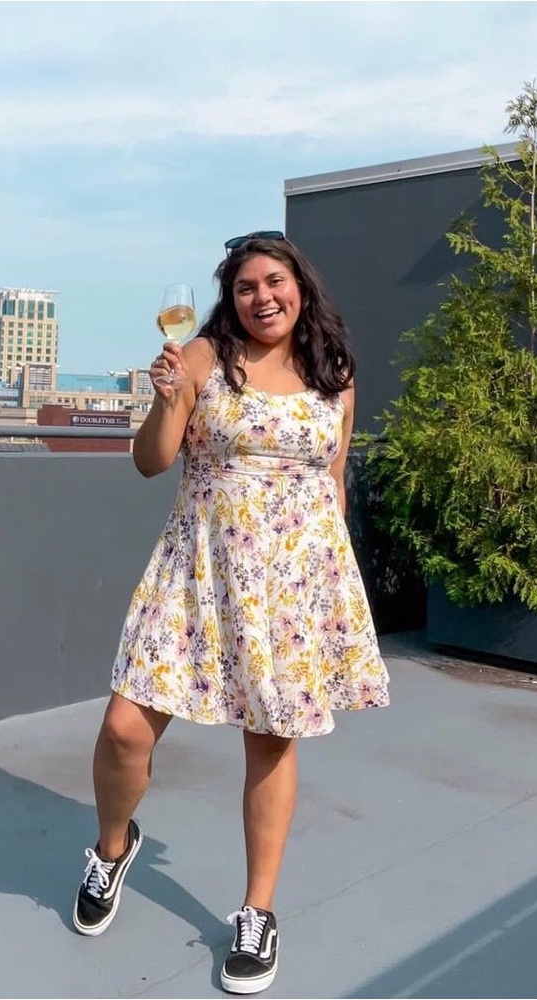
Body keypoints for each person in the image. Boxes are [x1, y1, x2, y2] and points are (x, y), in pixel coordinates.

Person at [72, 231, 390, 995]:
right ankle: (112, 848)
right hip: (197, 571)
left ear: (301, 287)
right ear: (230, 296)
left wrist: (326, 590)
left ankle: (257, 911)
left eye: (275, 282)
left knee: (272, 741)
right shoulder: (205, 360)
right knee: (123, 728)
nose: (263, 297)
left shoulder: (335, 374)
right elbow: (152, 460)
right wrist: (166, 399)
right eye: (246, 287)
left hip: (291, 586)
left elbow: (333, 480)